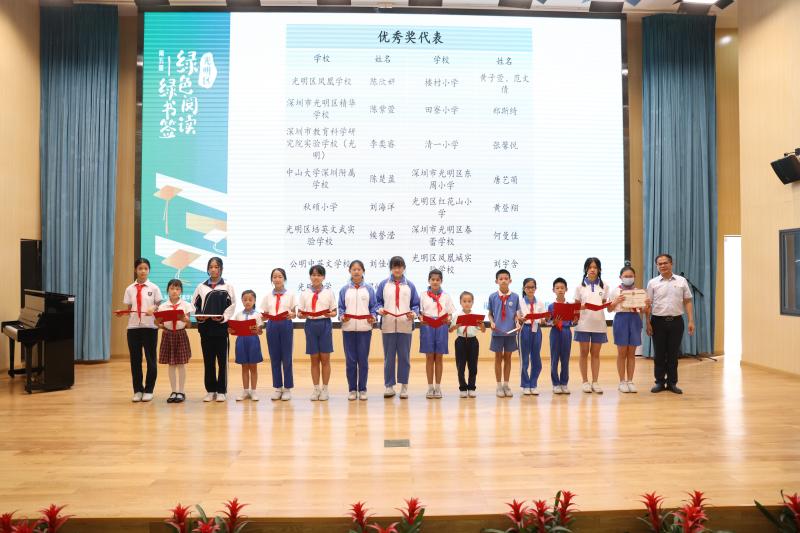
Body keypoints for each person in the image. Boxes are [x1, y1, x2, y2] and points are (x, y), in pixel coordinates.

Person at [645, 253, 694, 394]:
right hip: (657, 321)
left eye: (665, 263)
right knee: (659, 354)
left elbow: (688, 301)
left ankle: (672, 383)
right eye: (659, 264)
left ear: (671, 264)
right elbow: (648, 304)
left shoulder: (681, 281)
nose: (662, 266)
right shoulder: (652, 283)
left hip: (676, 322)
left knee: (673, 354)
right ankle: (660, 382)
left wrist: (691, 320)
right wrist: (647, 322)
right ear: (657, 266)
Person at [375, 256, 420, 399]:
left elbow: (416, 305)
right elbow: (377, 302)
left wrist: (414, 313)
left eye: (399, 267)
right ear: (391, 268)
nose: (397, 269)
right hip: (388, 325)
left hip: (405, 326)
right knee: (389, 358)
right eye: (394, 267)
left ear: (404, 268)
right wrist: (379, 309)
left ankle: (404, 386)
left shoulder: (410, 285)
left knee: (404, 358)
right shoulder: (383, 284)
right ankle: (389, 386)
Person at [192, 256, 236, 403]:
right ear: (207, 269)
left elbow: (232, 306)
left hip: (221, 329)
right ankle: (210, 390)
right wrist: (199, 317)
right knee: (208, 361)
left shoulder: (227, 287)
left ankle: (222, 391)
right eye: (211, 267)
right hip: (205, 329)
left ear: (221, 269)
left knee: (222, 362)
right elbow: (194, 305)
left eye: (216, 267)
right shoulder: (201, 287)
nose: (213, 269)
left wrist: (223, 317)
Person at [119, 258, 162, 402]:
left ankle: (149, 390)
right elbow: (129, 308)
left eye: (145, 268)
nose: (143, 271)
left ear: (149, 270)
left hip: (150, 327)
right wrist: (122, 313)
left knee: (151, 360)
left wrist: (154, 308)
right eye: (140, 268)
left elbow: (159, 305)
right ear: (135, 270)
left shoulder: (154, 288)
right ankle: (138, 390)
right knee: (135, 360)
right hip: (133, 328)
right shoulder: (129, 289)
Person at [338, 260, 378, 401]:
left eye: (359, 269)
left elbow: (374, 307)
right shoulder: (344, 289)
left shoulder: (369, 289)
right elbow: (341, 308)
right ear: (349, 271)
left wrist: (373, 316)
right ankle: (352, 389)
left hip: (364, 329)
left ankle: (362, 389)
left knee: (363, 361)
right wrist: (342, 317)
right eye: (354, 269)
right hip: (348, 329)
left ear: (363, 271)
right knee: (350, 361)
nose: (356, 271)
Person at [298, 264, 337, 401]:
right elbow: (299, 313)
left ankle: (325, 389)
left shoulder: (329, 292)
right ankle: (316, 389)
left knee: (325, 358)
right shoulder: (304, 293)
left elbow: (334, 312)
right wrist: (300, 315)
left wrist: (330, 314)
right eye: (313, 275)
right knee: (314, 359)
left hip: (325, 324)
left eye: (319, 275)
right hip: (310, 325)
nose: (316, 277)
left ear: (323, 277)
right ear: (310, 276)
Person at [573, 257, 612, 394]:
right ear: (586, 269)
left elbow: (605, 303)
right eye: (590, 267)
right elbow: (575, 307)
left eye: (595, 267)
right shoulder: (579, 287)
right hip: (583, 324)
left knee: (595, 354)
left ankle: (595, 382)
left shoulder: (605, 286)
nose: (592, 270)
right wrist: (580, 309)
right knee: (583, 353)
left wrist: (611, 304)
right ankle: (585, 382)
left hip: (599, 324)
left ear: (599, 269)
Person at [607, 266, 646, 393]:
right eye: (626, 276)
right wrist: (615, 301)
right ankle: (622, 381)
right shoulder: (615, 291)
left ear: (634, 277)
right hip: (621, 319)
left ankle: (630, 381)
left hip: (634, 319)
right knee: (622, 352)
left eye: (630, 276)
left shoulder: (639, 292)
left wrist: (647, 304)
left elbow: (643, 310)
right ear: (620, 277)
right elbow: (609, 309)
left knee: (631, 353)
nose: (628, 278)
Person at [260, 268, 296, 401]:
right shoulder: (267, 296)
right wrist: (263, 317)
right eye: (274, 277)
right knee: (274, 357)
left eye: (280, 276)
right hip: (272, 326)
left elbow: (294, 313)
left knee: (287, 357)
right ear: (272, 279)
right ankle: (277, 387)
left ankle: (287, 388)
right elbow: (264, 314)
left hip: (285, 325)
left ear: (284, 279)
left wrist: (293, 314)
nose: (277, 279)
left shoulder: (291, 295)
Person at [419, 269, 455, 399]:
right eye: (432, 279)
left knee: (439, 357)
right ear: (429, 281)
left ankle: (438, 387)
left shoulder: (446, 296)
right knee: (429, 357)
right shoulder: (423, 295)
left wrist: (449, 319)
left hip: (441, 326)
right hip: (427, 326)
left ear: (441, 281)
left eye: (437, 280)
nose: (435, 282)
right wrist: (421, 318)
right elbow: (420, 312)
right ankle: (430, 388)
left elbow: (450, 313)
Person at [155, 279, 193, 404]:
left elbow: (189, 326)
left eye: (177, 289)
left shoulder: (186, 305)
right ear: (168, 290)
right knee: (171, 364)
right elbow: (159, 324)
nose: (174, 291)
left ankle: (181, 391)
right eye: (172, 288)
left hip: (181, 334)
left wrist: (186, 320)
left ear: (181, 291)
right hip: (168, 335)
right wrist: (157, 323)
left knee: (181, 364)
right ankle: (173, 391)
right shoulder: (162, 306)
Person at [487, 269, 520, 398]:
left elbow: (516, 314)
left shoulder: (515, 296)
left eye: (506, 278)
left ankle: (506, 385)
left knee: (508, 358)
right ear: (496, 281)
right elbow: (490, 314)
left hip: (510, 333)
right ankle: (499, 386)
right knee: (498, 358)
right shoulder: (492, 296)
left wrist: (517, 322)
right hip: (497, 332)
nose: (503, 281)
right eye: (501, 279)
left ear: (510, 280)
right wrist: (491, 322)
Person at [449, 291, 485, 398]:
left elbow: (483, 330)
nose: (467, 303)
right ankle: (463, 388)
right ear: (460, 302)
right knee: (460, 366)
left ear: (472, 302)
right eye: (464, 301)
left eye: (469, 301)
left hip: (473, 341)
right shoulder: (457, 315)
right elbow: (450, 330)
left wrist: (481, 325)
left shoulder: (475, 316)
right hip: (460, 341)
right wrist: (455, 326)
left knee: (473, 366)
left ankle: (472, 387)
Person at [231, 290, 264, 401]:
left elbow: (260, 331)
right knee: (244, 367)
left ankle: (253, 391)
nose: (247, 302)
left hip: (253, 341)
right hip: (241, 341)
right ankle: (245, 391)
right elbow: (234, 330)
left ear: (254, 301)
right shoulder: (238, 315)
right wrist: (231, 330)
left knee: (253, 367)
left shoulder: (257, 315)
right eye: (245, 300)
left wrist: (257, 330)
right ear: (242, 301)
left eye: (250, 299)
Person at [517, 277, 547, 396]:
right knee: (524, 359)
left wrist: (544, 319)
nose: (530, 289)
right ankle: (525, 384)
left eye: (532, 287)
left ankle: (533, 384)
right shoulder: (519, 302)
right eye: (528, 287)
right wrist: (519, 319)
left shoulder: (540, 302)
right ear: (524, 289)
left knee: (536, 359)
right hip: (524, 329)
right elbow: (516, 317)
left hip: (536, 329)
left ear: (536, 288)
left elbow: (543, 319)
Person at [548, 277, 574, 395]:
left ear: (566, 289)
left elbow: (572, 321)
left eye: (562, 288)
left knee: (565, 358)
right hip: (555, 332)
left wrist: (575, 320)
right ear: (553, 290)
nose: (560, 290)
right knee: (554, 359)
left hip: (566, 332)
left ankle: (564, 383)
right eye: (557, 288)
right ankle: (555, 384)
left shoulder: (569, 305)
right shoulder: (551, 306)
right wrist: (552, 322)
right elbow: (548, 321)